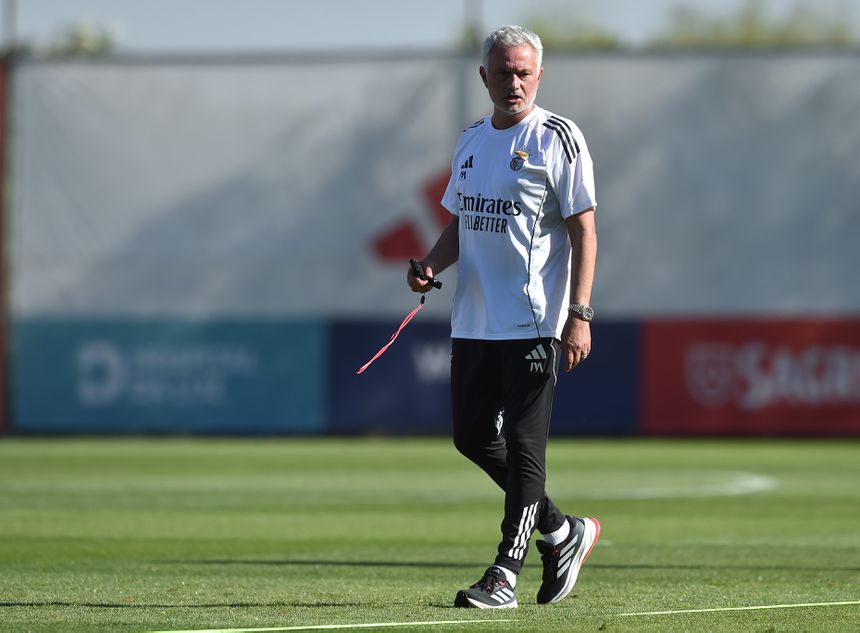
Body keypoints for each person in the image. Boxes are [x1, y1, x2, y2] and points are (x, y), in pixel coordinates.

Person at [406, 25, 600, 609]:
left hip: (535, 322)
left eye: (523, 72)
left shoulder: (558, 138)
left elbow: (584, 230)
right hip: (473, 320)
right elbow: (460, 223)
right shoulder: (469, 140)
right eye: (503, 72)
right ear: (483, 76)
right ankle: (564, 532)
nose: (513, 82)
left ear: (538, 75)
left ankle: (504, 575)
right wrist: (429, 264)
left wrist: (580, 313)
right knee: (470, 437)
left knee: (522, 443)